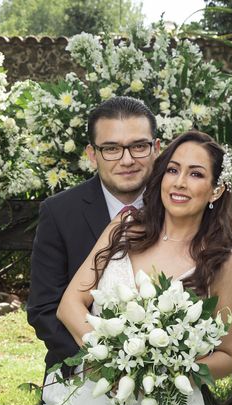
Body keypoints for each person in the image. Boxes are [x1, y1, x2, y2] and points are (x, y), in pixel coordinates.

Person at [38, 130, 232, 405]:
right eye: (172, 170)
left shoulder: (222, 263)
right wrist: (108, 360)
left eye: (196, 174)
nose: (179, 183)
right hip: (95, 398)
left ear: (216, 189)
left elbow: (226, 356)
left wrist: (166, 374)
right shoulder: (125, 227)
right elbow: (71, 302)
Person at [27, 96, 160, 382]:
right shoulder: (60, 212)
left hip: (163, 376)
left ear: (156, 149)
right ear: (92, 154)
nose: (127, 160)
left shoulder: (177, 208)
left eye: (138, 146)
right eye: (111, 148)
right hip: (81, 372)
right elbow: (44, 309)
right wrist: (103, 363)